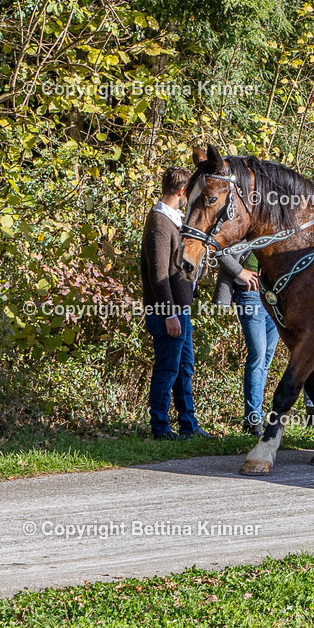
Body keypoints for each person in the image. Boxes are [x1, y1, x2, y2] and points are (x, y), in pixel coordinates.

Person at [140, 166, 214, 440]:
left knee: (184, 369)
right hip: (166, 312)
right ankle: (160, 428)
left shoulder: (175, 219)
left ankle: (188, 425)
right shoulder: (160, 223)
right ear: (182, 191)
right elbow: (158, 276)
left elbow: (180, 266)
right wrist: (170, 314)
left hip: (181, 310)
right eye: (189, 193)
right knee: (167, 369)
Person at [215, 251, 277, 437]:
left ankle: (256, 415)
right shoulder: (242, 225)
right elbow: (220, 250)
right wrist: (240, 271)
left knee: (266, 358)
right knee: (258, 355)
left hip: (275, 298)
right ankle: (253, 419)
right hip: (251, 297)